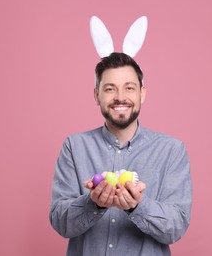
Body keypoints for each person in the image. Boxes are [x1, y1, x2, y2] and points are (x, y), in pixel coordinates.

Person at [50, 52, 192, 255]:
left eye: (129, 88)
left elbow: (176, 227)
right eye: (109, 89)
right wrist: (93, 204)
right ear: (96, 95)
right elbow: (60, 223)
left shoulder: (171, 150)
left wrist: (138, 206)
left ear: (142, 93)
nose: (120, 97)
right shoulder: (74, 146)